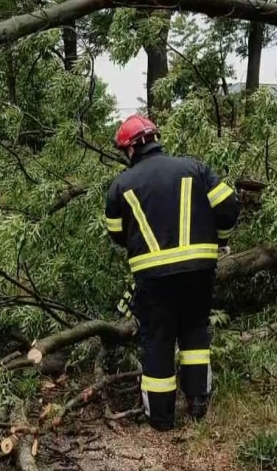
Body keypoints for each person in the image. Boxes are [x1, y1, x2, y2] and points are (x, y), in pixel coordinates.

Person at [102, 114, 240, 432]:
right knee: (194, 331)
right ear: (155, 139)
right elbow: (229, 207)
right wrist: (221, 241)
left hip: (152, 278)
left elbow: (116, 235)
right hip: (199, 271)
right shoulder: (195, 168)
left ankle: (161, 418)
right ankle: (198, 403)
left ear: (130, 150)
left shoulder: (120, 186)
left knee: (157, 340)